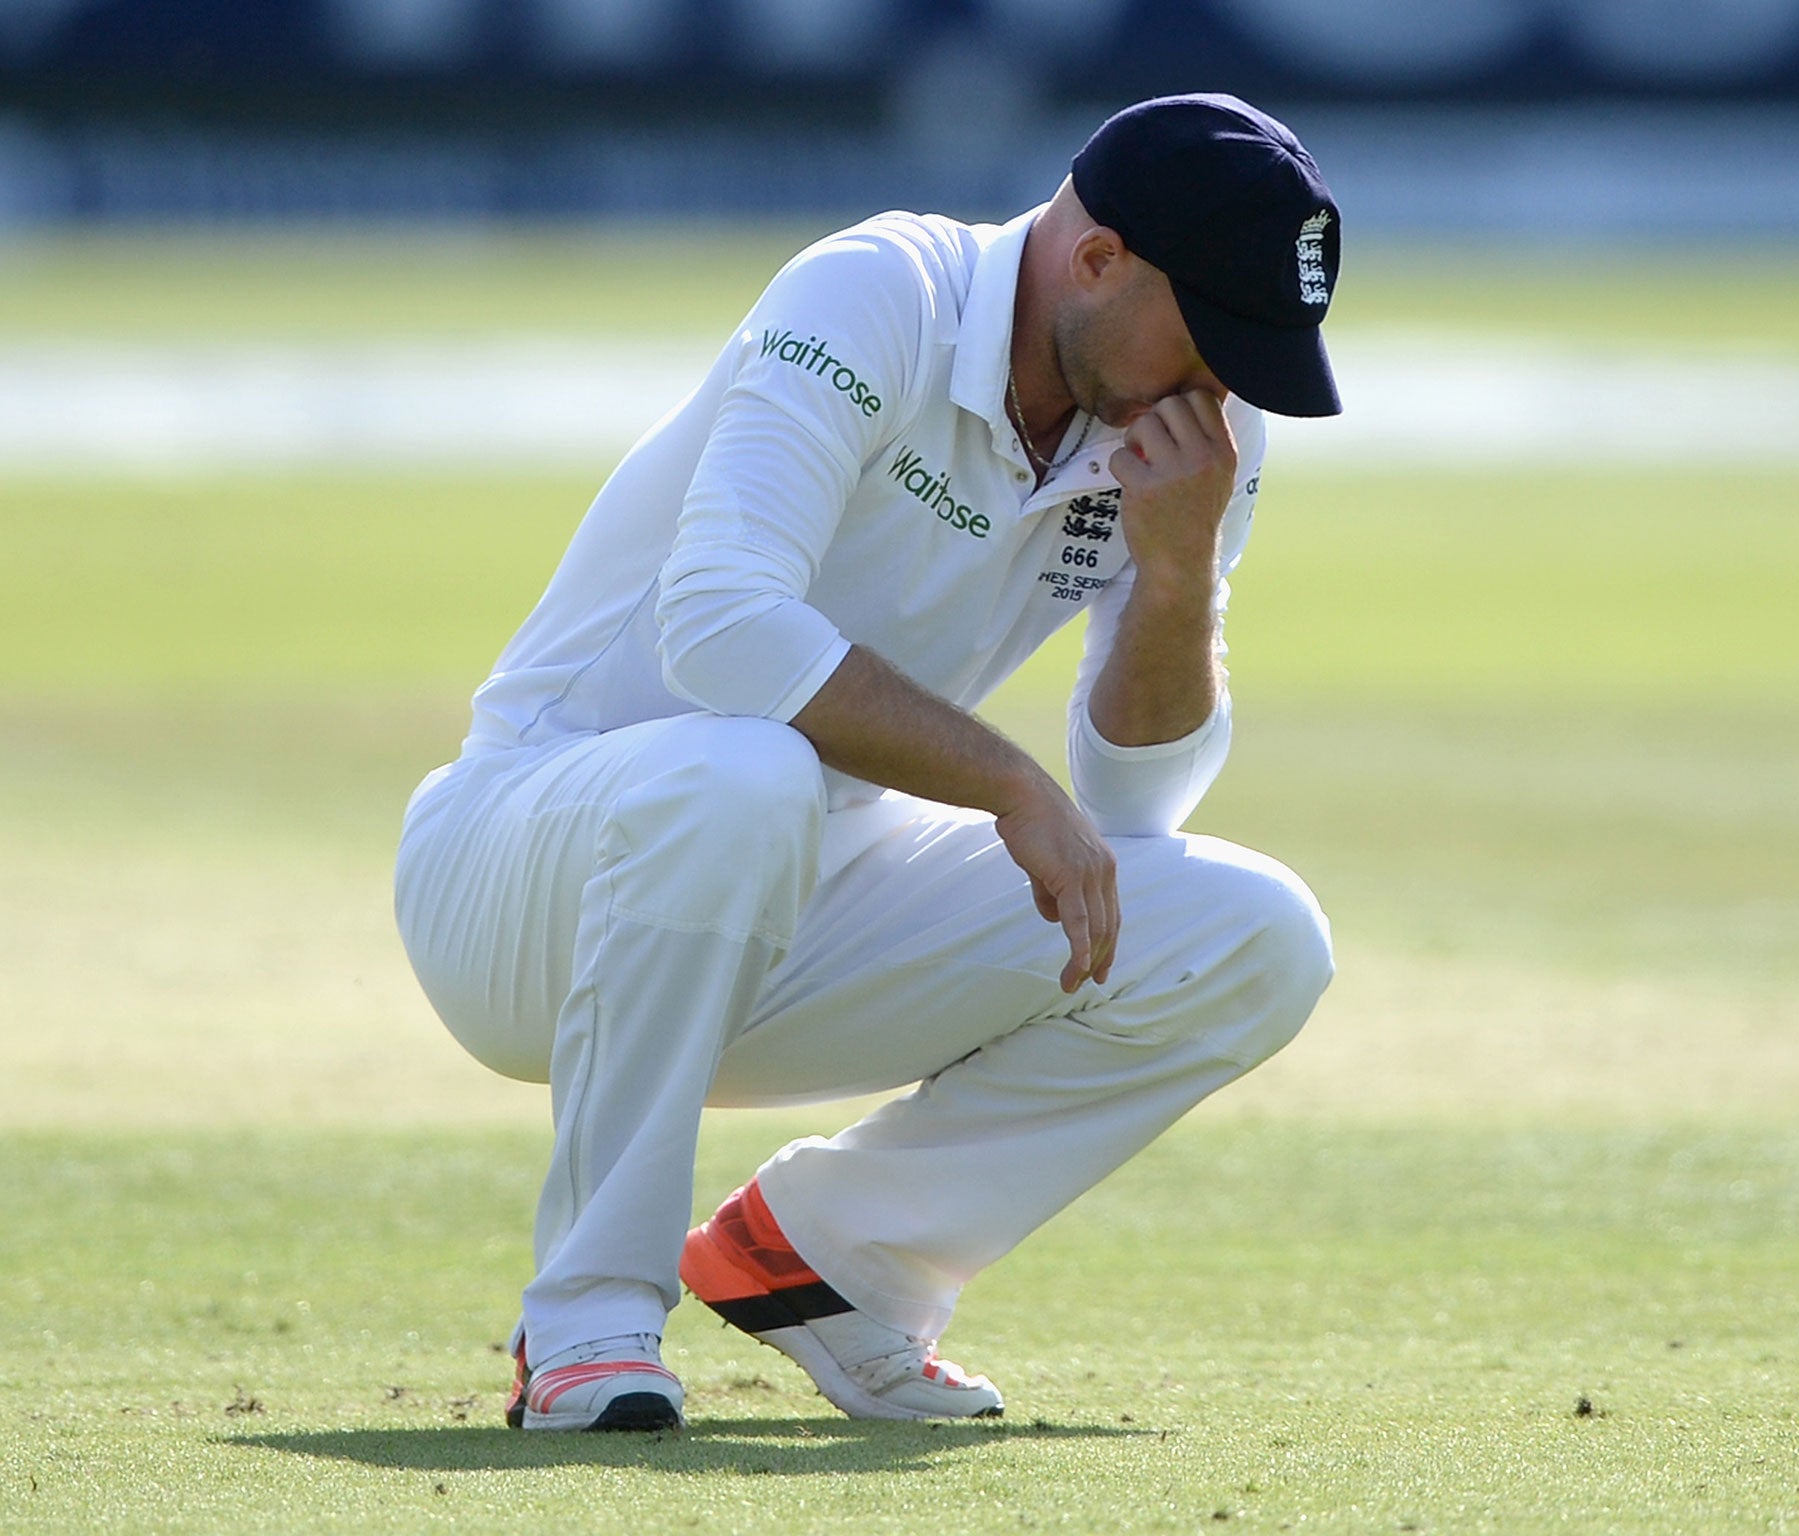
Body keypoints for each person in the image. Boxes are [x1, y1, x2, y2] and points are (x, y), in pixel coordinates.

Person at [394, 92, 1342, 1433]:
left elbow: (1137, 806)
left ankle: (832, 1260)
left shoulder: (1194, 437)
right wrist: (1009, 783)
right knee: (744, 775)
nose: (1224, 390)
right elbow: (721, 625)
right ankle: (587, 1322)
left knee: (1252, 935)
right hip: (515, 880)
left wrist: (1179, 574)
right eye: (1214, 337)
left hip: (792, 905)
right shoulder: (880, 293)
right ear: (1097, 259)